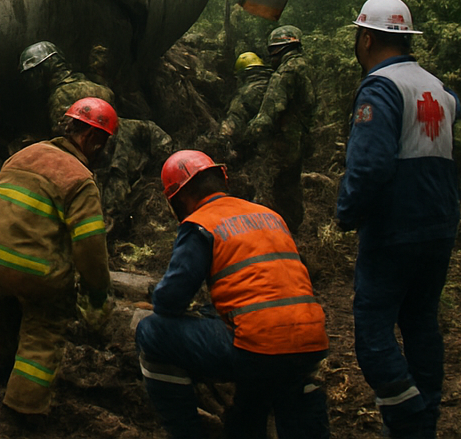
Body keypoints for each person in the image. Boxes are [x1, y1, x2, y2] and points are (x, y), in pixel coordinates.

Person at [136, 150, 329, 439]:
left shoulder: (201, 223)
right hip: (310, 342)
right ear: (221, 180)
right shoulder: (270, 215)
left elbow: (170, 300)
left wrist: (165, 301)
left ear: (179, 198)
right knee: (273, 388)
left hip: (258, 348)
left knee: (151, 331)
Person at [336, 0, 460, 439]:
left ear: (367, 38)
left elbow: (369, 166)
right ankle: (424, 415)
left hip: (395, 227)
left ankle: (410, 425)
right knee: (422, 321)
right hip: (440, 225)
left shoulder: (380, 88)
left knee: (371, 331)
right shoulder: (439, 88)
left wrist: (346, 212)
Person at [0, 97, 116, 419]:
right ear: (90, 138)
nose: (101, 152)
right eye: (101, 144)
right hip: (32, 273)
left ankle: (4, 366)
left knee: (3, 302)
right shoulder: (79, 179)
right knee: (45, 326)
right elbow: (90, 246)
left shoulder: (23, 154)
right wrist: (98, 290)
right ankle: (24, 407)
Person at [238, 25, 317, 235]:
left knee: (265, 190)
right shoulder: (307, 67)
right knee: (291, 190)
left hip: (282, 145)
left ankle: (267, 236)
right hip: (300, 142)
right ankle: (294, 235)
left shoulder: (285, 73)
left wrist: (245, 138)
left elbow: (268, 114)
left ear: (278, 50)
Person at [99, 117, 174, 233]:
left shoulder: (122, 138)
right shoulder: (111, 134)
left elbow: (119, 173)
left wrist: (110, 213)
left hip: (154, 151)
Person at [20, 41, 116, 125]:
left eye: (35, 71)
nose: (33, 77)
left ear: (49, 64)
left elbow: (64, 137)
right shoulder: (96, 86)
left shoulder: (61, 96)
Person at [216, 51, 271, 162]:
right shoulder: (275, 83)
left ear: (242, 74)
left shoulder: (245, 93)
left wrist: (220, 140)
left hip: (257, 153)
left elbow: (234, 120)